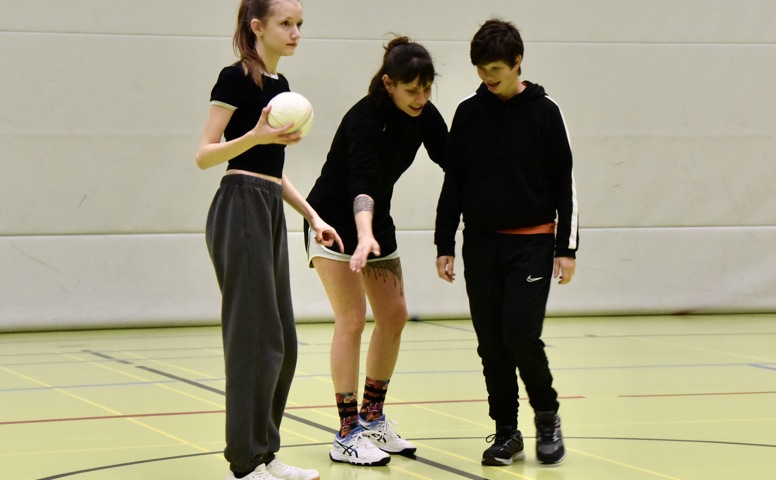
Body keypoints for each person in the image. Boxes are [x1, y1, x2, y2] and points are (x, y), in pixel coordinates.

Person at [195, 1, 341, 479]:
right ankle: (245, 462)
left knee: (283, 343)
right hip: (238, 205)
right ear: (257, 27)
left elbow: (274, 173)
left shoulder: (282, 89)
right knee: (255, 341)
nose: (296, 32)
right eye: (286, 24)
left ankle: (265, 454)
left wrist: (314, 217)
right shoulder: (235, 77)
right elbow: (205, 154)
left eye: (300, 24)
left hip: (267, 206)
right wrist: (255, 134)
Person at [434, 19, 579, 467]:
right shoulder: (468, 112)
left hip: (532, 244)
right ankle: (506, 431)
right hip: (480, 244)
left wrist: (566, 248)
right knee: (490, 343)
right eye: (480, 69)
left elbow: (565, 183)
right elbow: (454, 181)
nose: (488, 77)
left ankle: (547, 415)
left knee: (520, 334)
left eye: (496, 68)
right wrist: (444, 242)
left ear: (518, 63)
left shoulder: (545, 111)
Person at [303, 36, 448, 467]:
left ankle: (373, 417)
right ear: (389, 83)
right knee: (351, 319)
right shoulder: (365, 119)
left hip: (374, 225)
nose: (421, 98)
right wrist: (362, 233)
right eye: (411, 90)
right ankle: (346, 432)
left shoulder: (425, 116)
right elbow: (361, 183)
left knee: (394, 316)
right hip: (332, 224)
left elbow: (455, 160)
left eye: (426, 89)